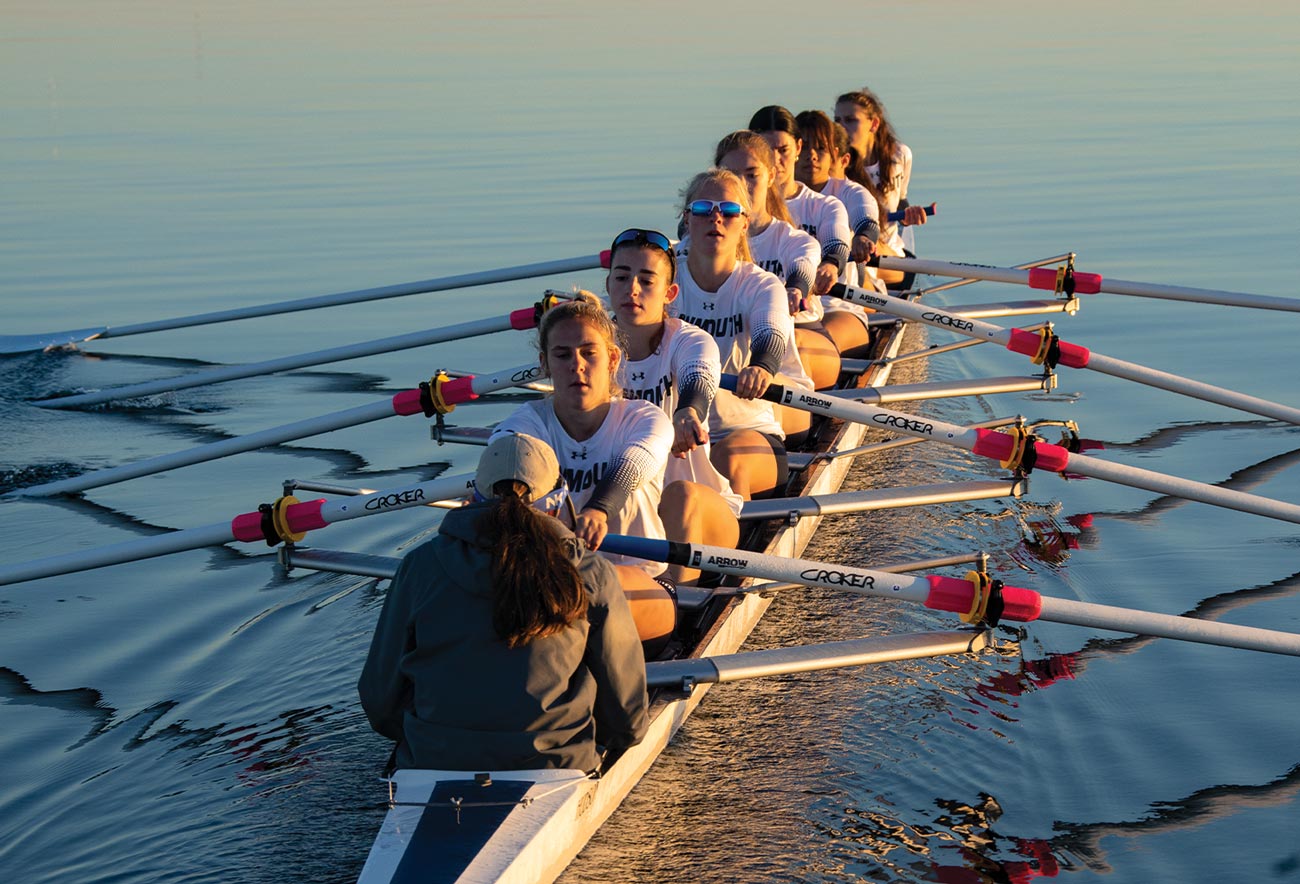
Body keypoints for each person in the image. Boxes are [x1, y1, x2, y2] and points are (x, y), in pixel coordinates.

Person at [358, 432, 648, 774]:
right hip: (555, 763)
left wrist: (425, 739)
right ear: (557, 502)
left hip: (437, 760)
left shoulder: (419, 565)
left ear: (472, 498)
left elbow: (380, 699)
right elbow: (625, 717)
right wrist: (617, 738)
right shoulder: (589, 571)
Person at [493, 295, 678, 653]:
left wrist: (598, 510)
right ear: (545, 364)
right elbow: (505, 458)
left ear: (611, 358)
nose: (576, 365)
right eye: (562, 355)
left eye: (588, 352)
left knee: (579, 589)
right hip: (551, 588)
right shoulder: (526, 423)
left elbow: (632, 466)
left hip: (643, 586)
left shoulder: (644, 418)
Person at [606, 227, 743, 585]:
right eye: (621, 277)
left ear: (670, 294)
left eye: (646, 281)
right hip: (625, 511)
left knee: (679, 497)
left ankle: (679, 620)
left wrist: (688, 412)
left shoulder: (688, 340)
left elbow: (699, 374)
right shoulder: (588, 353)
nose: (632, 289)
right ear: (608, 286)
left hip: (702, 514)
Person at [672, 168, 812, 499]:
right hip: (678, 429)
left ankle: (737, 542)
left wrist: (762, 366)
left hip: (746, 430)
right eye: (704, 209)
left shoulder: (761, 285)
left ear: (744, 223)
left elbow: (771, 335)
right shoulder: (661, 280)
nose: (716, 218)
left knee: (727, 460)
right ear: (687, 220)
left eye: (730, 211)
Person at [712, 130, 841, 390]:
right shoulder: (705, 241)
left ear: (771, 175)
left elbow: (805, 263)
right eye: (732, 175)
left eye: (751, 175)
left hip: (791, 346)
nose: (741, 185)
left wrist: (796, 288)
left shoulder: (794, 239)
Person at [795, 110, 885, 357]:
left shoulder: (850, 193)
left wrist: (863, 237)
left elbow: (865, 218)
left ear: (835, 155)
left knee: (803, 348)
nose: (811, 156)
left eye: (821, 149)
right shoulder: (772, 201)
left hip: (838, 306)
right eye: (804, 149)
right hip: (786, 310)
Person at [833, 88, 928, 286]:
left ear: (874, 124)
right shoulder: (837, 164)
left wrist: (908, 215)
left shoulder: (900, 155)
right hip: (854, 246)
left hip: (889, 252)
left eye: (850, 120)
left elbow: (901, 199)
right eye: (838, 120)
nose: (841, 128)